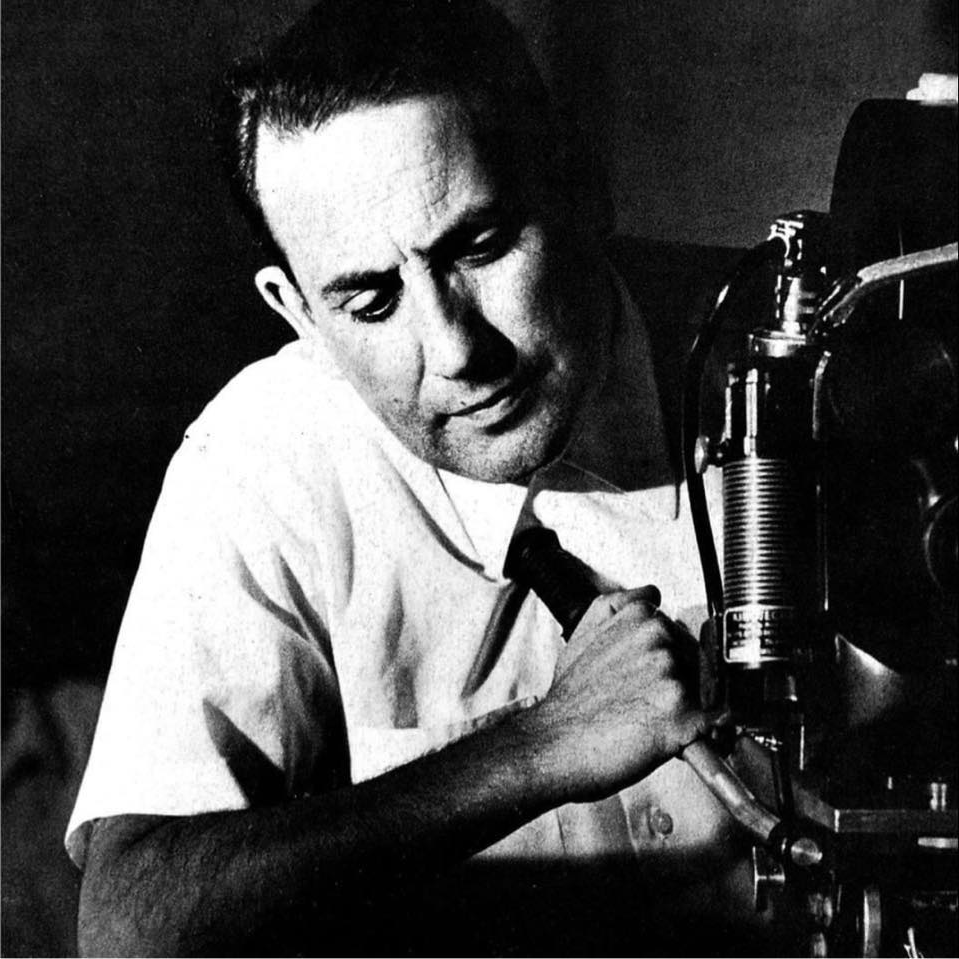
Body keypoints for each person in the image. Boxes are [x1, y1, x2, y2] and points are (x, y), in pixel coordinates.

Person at [69, 1, 753, 954]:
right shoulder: (261, 459)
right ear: (299, 313)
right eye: (371, 300)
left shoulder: (792, 352)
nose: (456, 351)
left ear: (581, 190)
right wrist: (538, 748)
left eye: (480, 247)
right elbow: (131, 927)